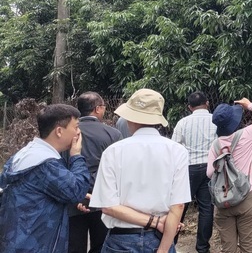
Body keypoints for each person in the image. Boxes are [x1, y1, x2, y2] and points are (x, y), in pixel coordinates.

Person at [90, 88, 190, 253]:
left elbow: (108, 206)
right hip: (159, 238)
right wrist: (163, 249)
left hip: (121, 239)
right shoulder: (177, 151)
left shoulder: (113, 151)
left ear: (130, 118)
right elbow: (178, 206)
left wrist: (155, 221)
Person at [0, 103, 90, 253]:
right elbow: (76, 190)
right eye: (75, 127)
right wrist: (76, 155)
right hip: (37, 245)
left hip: (19, 241)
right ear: (59, 131)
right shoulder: (46, 164)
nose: (78, 132)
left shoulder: (26, 153)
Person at [206, 97, 252, 253]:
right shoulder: (247, 134)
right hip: (248, 196)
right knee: (249, 248)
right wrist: (249, 104)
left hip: (223, 201)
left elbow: (209, 173)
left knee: (228, 249)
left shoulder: (215, 145)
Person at [67, 92, 123, 253]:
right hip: (103, 200)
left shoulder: (68, 134)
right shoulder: (113, 134)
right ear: (97, 109)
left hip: (73, 199)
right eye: (104, 107)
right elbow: (118, 170)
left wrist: (78, 195)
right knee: (101, 245)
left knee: (74, 246)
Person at [171, 91, 217, 253]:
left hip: (188, 169)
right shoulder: (216, 121)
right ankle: (203, 247)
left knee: (179, 206)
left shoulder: (183, 123)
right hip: (210, 168)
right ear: (207, 103)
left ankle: (171, 243)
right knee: (206, 209)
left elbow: (174, 147)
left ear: (189, 107)